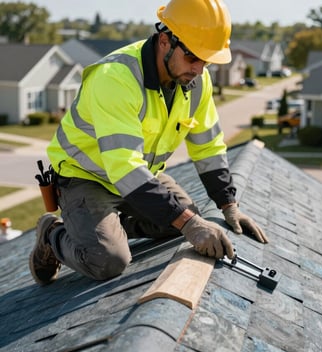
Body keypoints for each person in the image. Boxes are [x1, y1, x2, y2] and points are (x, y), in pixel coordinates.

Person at [29, 0, 269, 286]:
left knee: (188, 218)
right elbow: (124, 167)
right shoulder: (116, 78)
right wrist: (188, 224)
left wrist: (229, 205)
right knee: (109, 259)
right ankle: (52, 232)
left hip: (140, 177)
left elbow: (209, 146)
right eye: (193, 57)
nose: (199, 68)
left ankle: (110, 225)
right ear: (165, 41)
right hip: (86, 177)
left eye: (207, 60)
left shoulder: (196, 82)